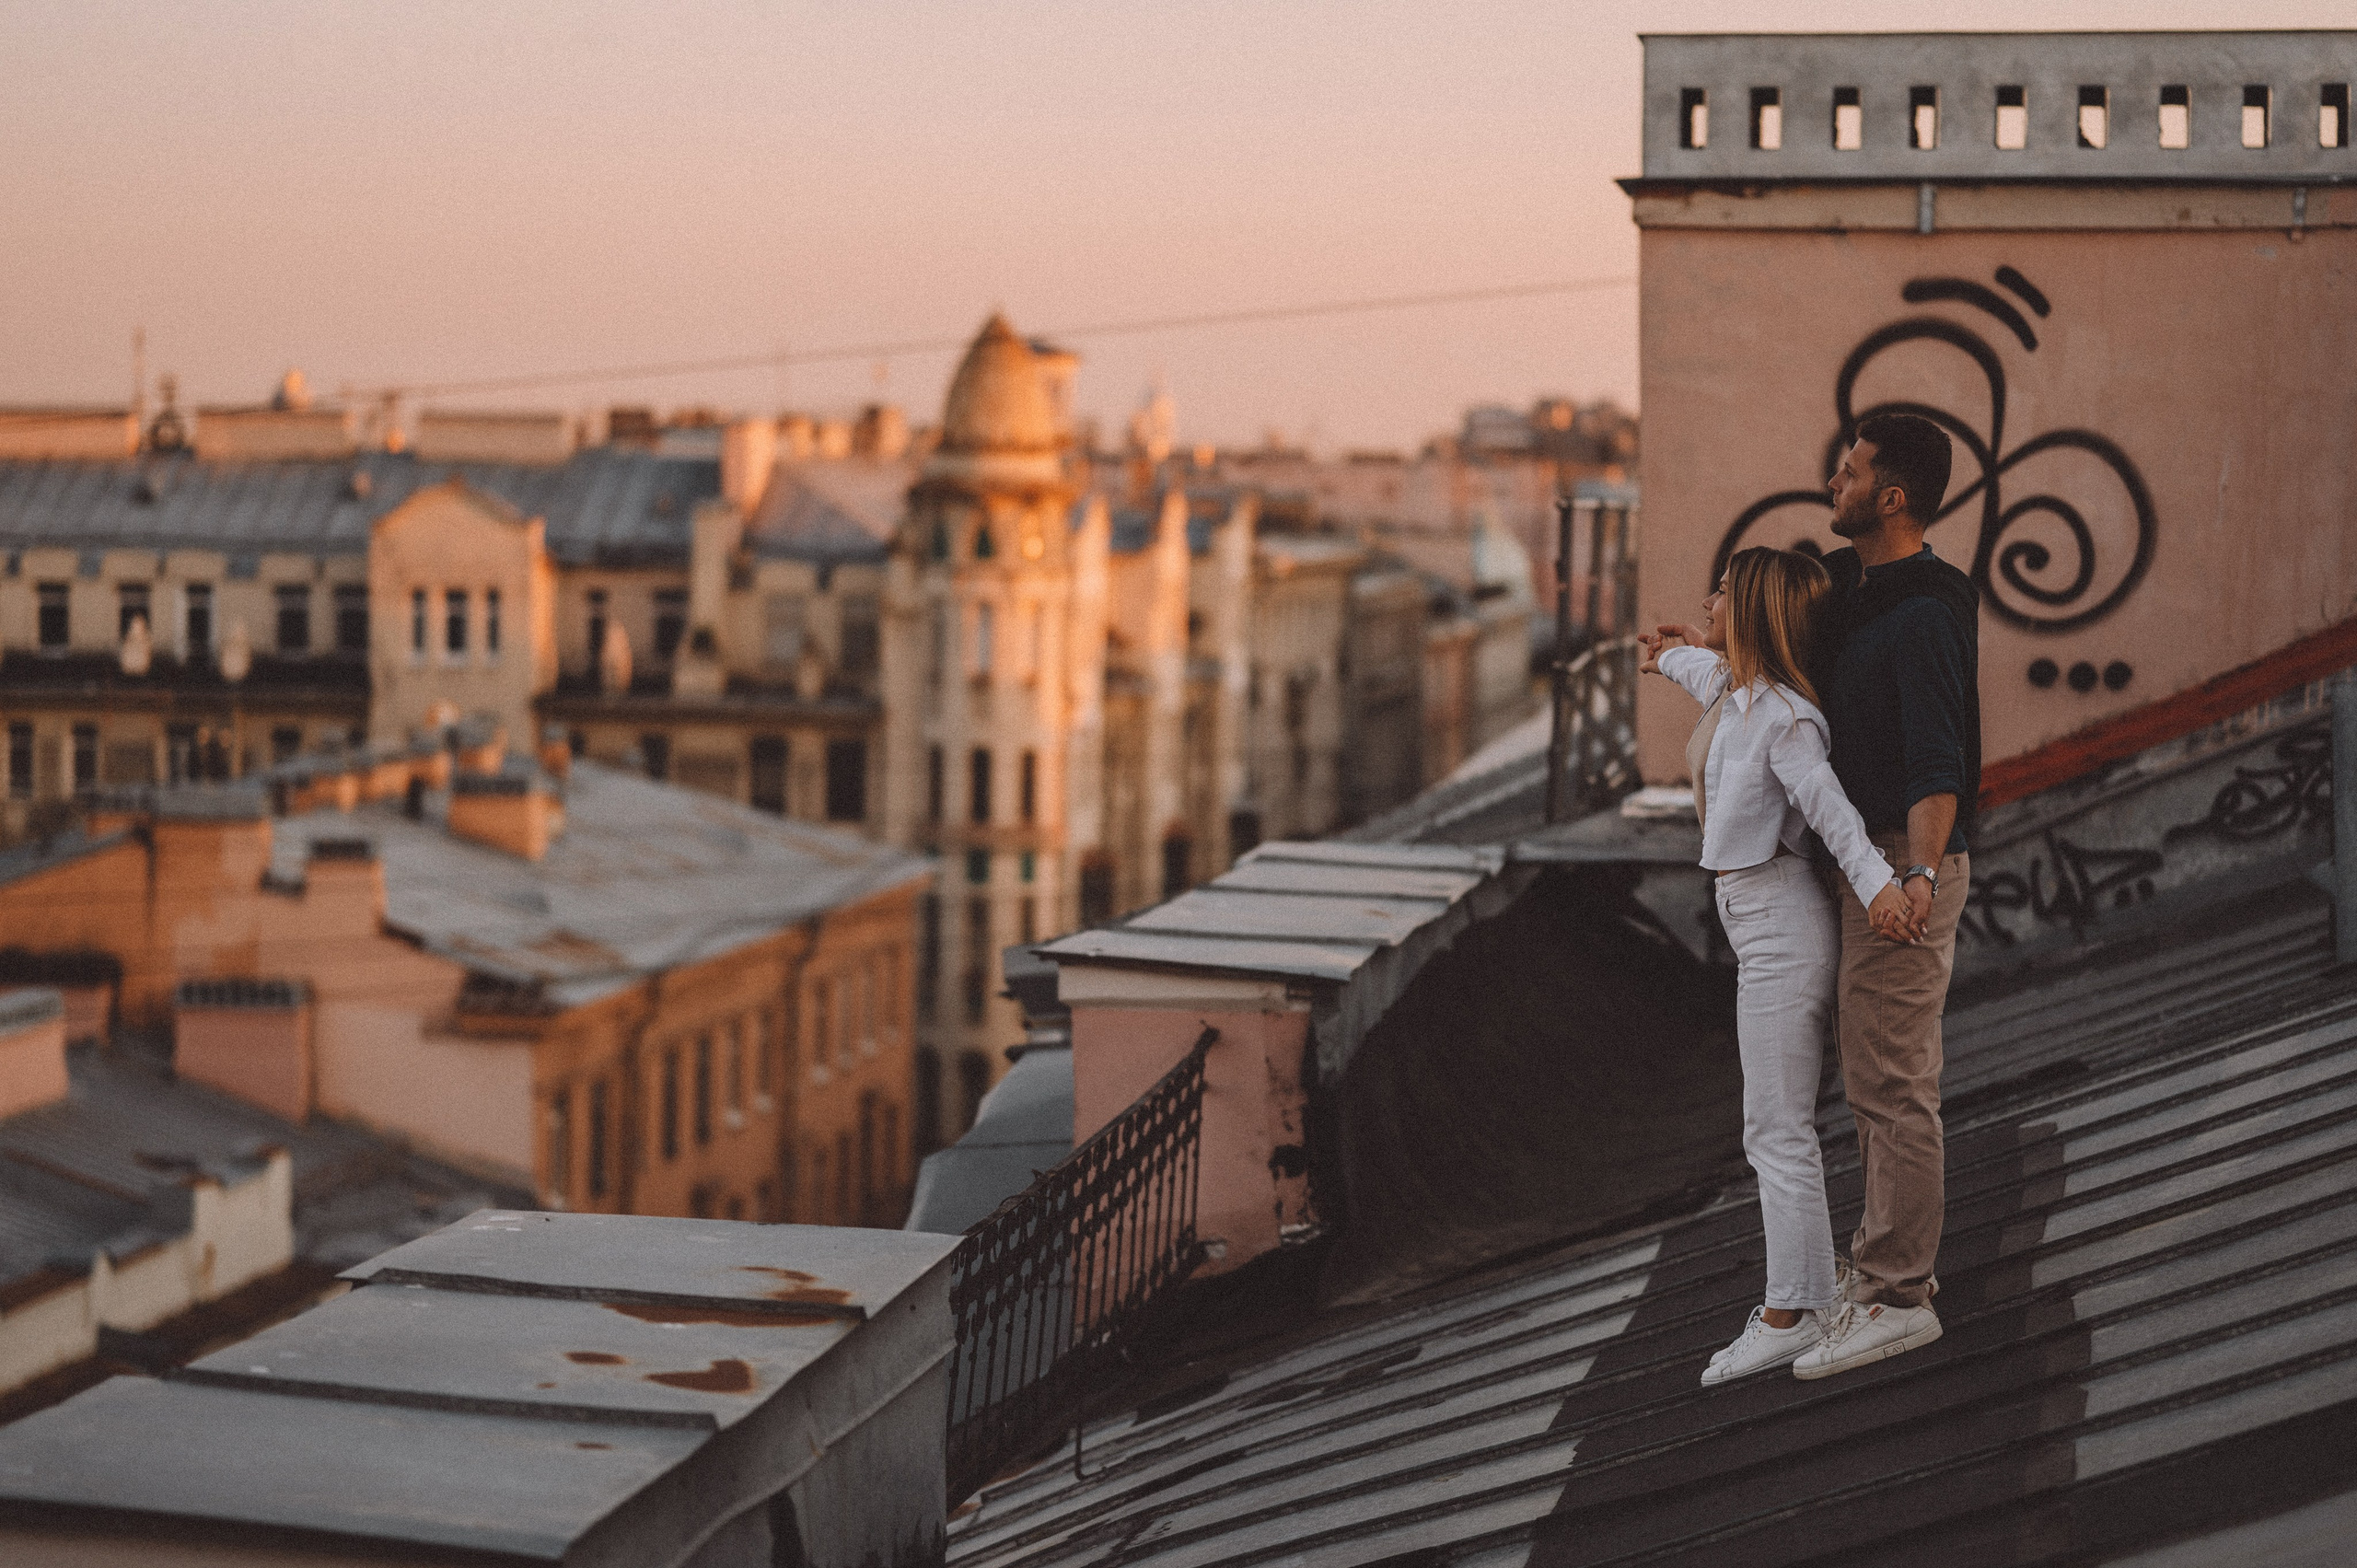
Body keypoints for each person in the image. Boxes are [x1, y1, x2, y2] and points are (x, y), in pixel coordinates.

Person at [1640, 547, 1911, 1385]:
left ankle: (1791, 1311)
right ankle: (1805, 1294)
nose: (1709, 596)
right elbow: (1706, 677)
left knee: (1776, 1128)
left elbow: (1833, 816)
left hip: (1780, 923)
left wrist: (1883, 891)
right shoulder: (1740, 693)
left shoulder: (1785, 717)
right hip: (1755, 916)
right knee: (1775, 1125)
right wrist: (1674, 654)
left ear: (1752, 611)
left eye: (1721, 592)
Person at [1790, 410, 1979, 1382]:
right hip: (1868, 862)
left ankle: (1898, 1294)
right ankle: (1879, 1278)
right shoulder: (1863, 599)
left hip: (1902, 865)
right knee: (1870, 1077)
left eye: (1851, 468)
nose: (1834, 478)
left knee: (1894, 1083)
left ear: (1890, 496)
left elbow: (1938, 761)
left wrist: (1912, 874)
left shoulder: (1923, 611)